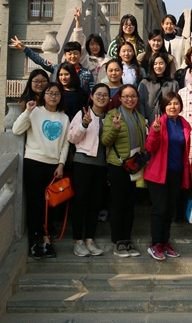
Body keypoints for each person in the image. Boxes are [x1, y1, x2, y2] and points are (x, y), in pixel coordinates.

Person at [12, 82, 70, 260]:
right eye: (50, 93)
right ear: (43, 95)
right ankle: (34, 241)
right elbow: (16, 130)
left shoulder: (64, 118)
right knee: (35, 203)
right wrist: (27, 112)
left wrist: (61, 164)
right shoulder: (35, 112)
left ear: (61, 97)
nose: (53, 96)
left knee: (50, 204)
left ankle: (47, 240)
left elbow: (66, 143)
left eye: (57, 94)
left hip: (53, 166)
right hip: (34, 162)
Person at [144, 93, 191, 261]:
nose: (172, 107)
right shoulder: (159, 123)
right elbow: (149, 148)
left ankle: (164, 242)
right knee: (160, 209)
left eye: (176, 103)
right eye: (169, 104)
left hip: (176, 173)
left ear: (181, 106)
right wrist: (155, 132)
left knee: (170, 209)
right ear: (164, 107)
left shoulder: (184, 124)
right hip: (158, 173)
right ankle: (155, 243)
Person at [102, 84, 147, 258]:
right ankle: (117, 241)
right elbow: (105, 141)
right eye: (126, 96)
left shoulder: (140, 117)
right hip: (118, 165)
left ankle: (127, 239)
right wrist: (114, 128)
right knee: (118, 204)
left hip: (134, 166)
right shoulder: (112, 115)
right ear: (119, 98)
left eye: (133, 96)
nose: (130, 99)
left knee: (130, 205)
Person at [67, 83, 111, 257]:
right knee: (80, 202)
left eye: (105, 95)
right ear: (91, 96)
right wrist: (84, 125)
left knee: (95, 204)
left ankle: (90, 240)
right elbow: (72, 138)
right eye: (98, 94)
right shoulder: (82, 113)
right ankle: (78, 241)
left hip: (101, 166)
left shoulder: (109, 117)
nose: (101, 98)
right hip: (83, 163)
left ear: (109, 99)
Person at [12, 36, 94, 94]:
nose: (73, 56)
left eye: (75, 53)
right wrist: (24, 49)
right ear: (65, 55)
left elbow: (91, 93)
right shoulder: (57, 68)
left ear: (80, 55)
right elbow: (41, 61)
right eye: (70, 54)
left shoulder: (87, 73)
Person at [71, 7, 111, 83]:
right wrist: (78, 22)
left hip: (103, 89)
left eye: (97, 44)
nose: (95, 47)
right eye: (92, 44)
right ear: (88, 46)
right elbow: (79, 42)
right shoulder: (85, 58)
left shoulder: (108, 60)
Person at [138, 53, 179, 121]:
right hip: (150, 121)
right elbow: (140, 102)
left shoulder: (173, 84)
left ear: (166, 65)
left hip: (169, 121)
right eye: (155, 64)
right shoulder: (144, 83)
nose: (158, 66)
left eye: (161, 63)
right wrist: (142, 119)